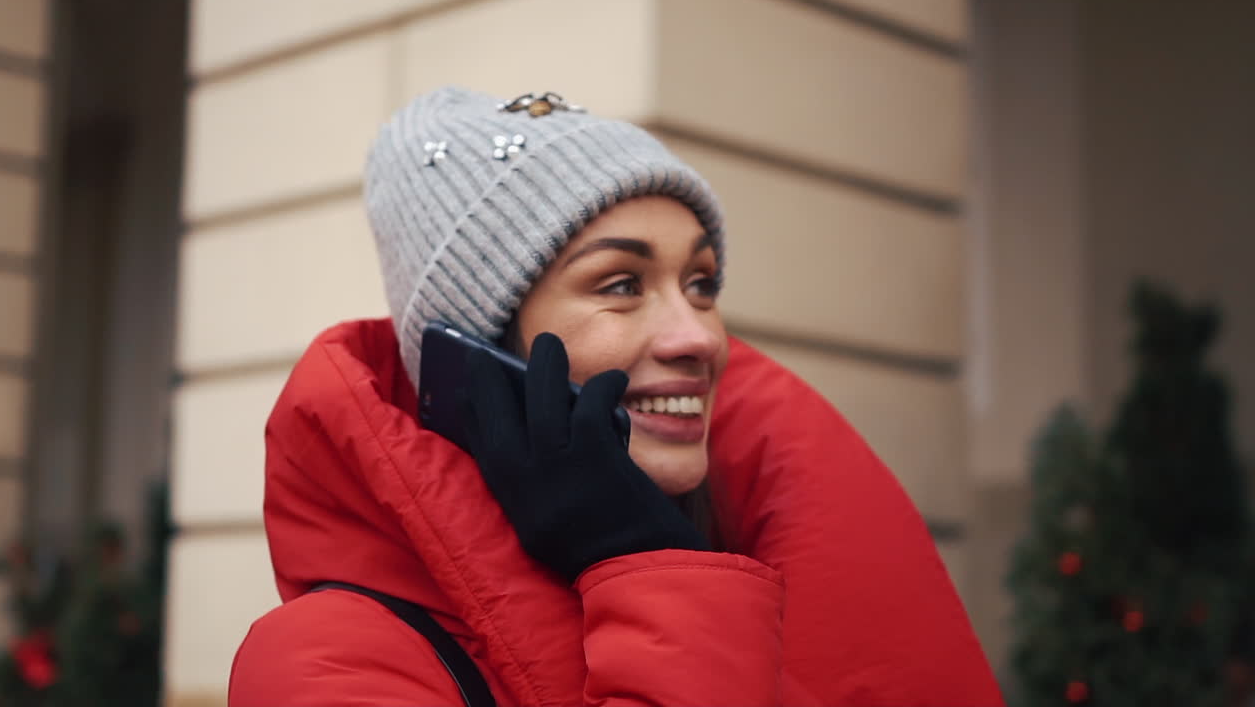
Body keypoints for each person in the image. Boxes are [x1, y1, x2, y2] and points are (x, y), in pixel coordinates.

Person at [227, 86, 1003, 706]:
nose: (698, 336)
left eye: (701, 283)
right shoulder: (325, 662)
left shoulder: (757, 564)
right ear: (477, 365)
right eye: (622, 285)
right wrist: (648, 565)